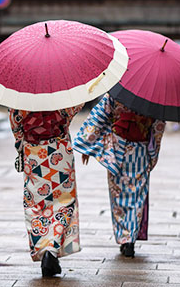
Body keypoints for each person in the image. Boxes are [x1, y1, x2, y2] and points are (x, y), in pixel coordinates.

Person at [73, 94, 165, 258]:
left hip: (117, 147)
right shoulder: (152, 96)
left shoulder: (117, 92)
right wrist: (154, 153)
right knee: (137, 195)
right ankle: (130, 239)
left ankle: (124, 237)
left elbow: (98, 117)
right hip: (141, 149)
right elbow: (158, 126)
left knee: (118, 193)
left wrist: (88, 145)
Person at [9, 104, 83, 277]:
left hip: (33, 153)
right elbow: (74, 108)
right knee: (64, 202)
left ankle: (45, 249)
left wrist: (21, 147)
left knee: (35, 204)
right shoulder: (61, 94)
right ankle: (52, 248)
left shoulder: (20, 98)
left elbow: (16, 126)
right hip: (59, 149)